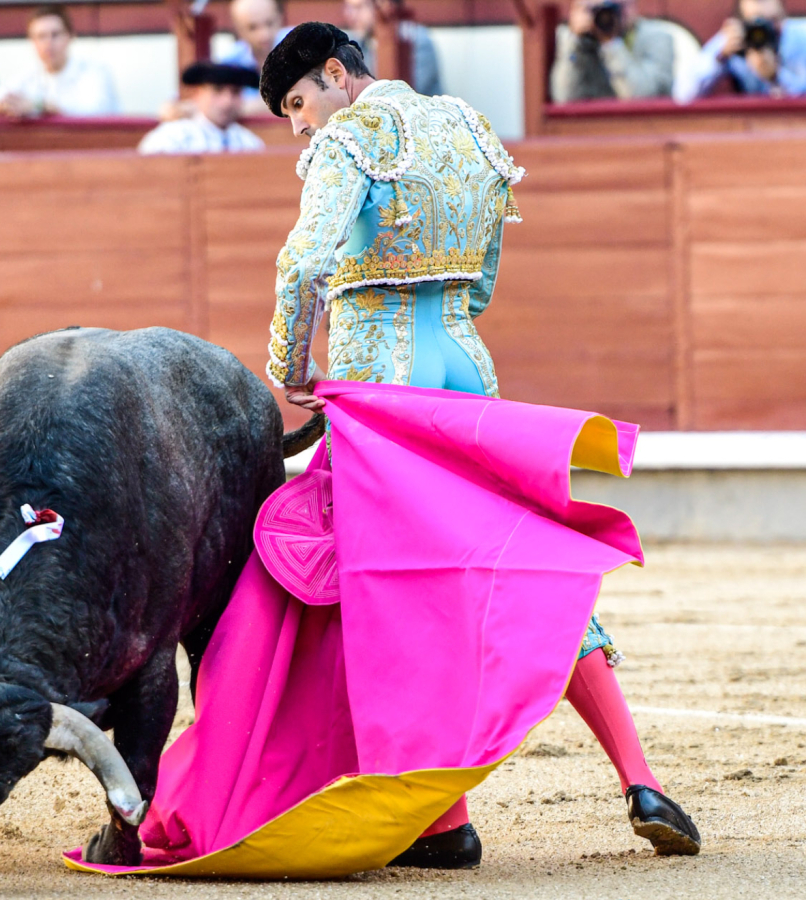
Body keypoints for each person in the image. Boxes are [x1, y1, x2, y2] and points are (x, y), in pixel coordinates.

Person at [261, 22, 699, 867]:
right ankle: (641, 780)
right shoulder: (467, 124)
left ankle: (445, 822)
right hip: (466, 373)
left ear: (334, 75)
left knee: (392, 593)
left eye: (297, 102)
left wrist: (291, 368)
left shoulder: (349, 139)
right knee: (527, 563)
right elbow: (487, 270)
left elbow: (302, 264)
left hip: (381, 379)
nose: (299, 125)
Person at [0, 5, 118, 118]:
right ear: (32, 41)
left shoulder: (95, 70)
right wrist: (0, 107)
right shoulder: (28, 75)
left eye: (55, 34)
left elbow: (97, 111)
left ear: (71, 36)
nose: (48, 43)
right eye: (41, 36)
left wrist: (40, 106)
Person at [675, 0, 806, 102]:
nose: (762, 34)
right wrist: (720, 57)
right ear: (742, 20)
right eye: (755, 24)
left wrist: (775, 77)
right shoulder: (735, 39)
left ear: (782, 14)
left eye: (770, 23)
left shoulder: (801, 35)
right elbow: (683, 94)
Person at [549, 0, 674, 102]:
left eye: (615, 8)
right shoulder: (573, 42)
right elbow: (564, 98)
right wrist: (575, 42)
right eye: (594, 10)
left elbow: (640, 98)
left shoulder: (657, 38)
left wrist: (611, 44)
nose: (604, 16)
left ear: (633, 8)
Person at [139, 62, 264, 154]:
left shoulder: (250, 143)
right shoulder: (172, 138)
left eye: (235, 92)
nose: (227, 102)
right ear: (198, 94)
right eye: (217, 91)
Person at [341, 0, 442, 96]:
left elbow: (407, 94)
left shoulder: (415, 41)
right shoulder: (357, 43)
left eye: (358, 8)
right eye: (348, 7)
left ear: (383, 5)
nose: (351, 15)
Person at [216, 0, 290, 115]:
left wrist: (239, 107)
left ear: (280, 18)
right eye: (252, 27)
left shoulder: (301, 45)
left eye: (269, 23)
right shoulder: (229, 61)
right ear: (239, 29)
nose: (264, 34)